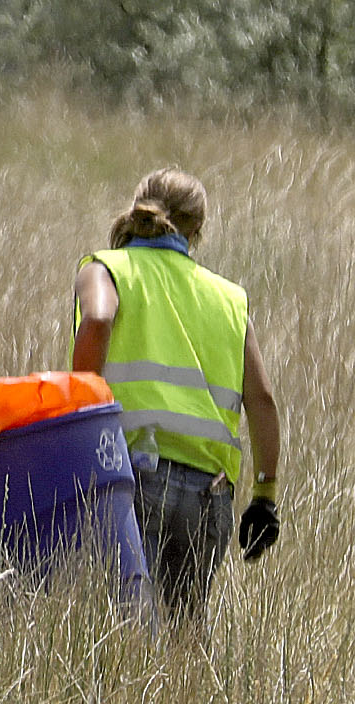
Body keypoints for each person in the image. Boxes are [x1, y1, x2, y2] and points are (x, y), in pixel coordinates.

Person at [69, 169, 281, 625]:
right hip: (209, 494)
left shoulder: (106, 268)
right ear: (197, 232)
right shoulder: (228, 299)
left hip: (132, 478)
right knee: (186, 636)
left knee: (124, 633)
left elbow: (99, 319)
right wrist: (264, 494)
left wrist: (76, 416)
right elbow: (261, 398)